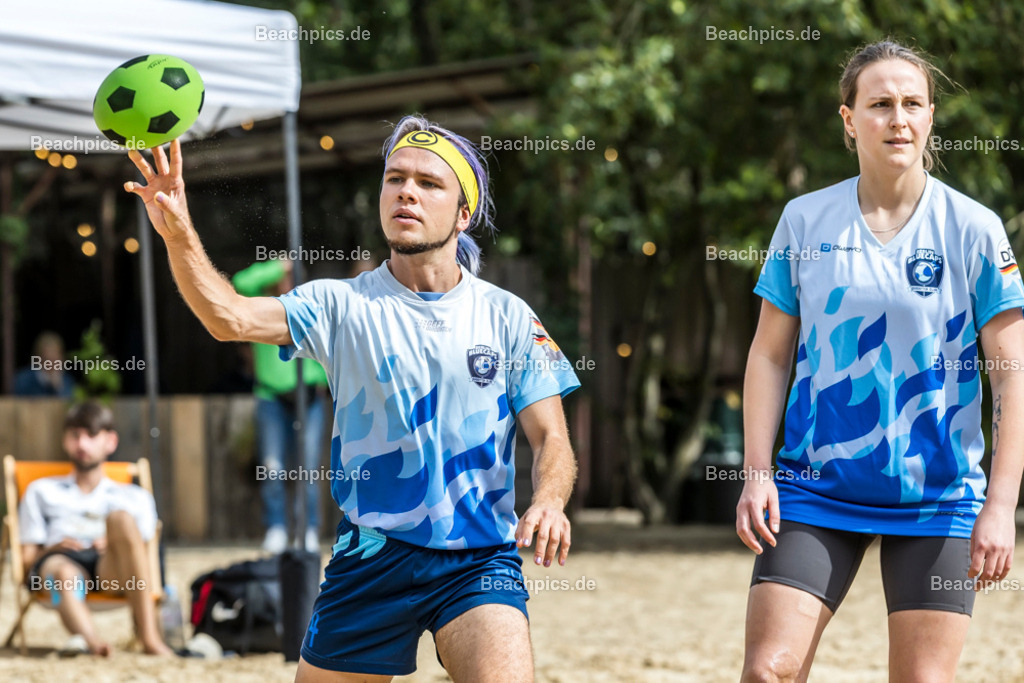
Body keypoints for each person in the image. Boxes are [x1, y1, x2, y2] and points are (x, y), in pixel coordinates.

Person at [125, 115, 580, 681]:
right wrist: (177, 232)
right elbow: (229, 317)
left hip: (477, 560)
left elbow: (552, 437)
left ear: (464, 216)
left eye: (429, 183)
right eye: (395, 178)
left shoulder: (507, 316)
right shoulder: (341, 305)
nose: (406, 191)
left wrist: (550, 501)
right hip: (370, 557)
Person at [736, 40, 1024, 682]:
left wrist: (1000, 503)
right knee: (767, 672)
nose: (899, 118)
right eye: (881, 104)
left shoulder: (974, 229)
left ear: (929, 118)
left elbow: (1013, 375)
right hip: (816, 490)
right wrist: (757, 473)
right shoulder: (805, 221)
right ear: (848, 119)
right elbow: (769, 354)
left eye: (913, 104)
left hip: (938, 496)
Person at [18, 401, 171, 656]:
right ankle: (93, 643)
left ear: (110, 441)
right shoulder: (41, 491)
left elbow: (148, 560)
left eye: (91, 435)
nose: (82, 445)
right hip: (59, 563)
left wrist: (113, 542)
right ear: (64, 440)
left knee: (120, 520)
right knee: (63, 574)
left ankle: (150, 638)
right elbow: (25, 568)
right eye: (75, 436)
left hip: (111, 567)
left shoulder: (134, 496)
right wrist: (53, 549)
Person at [233, 259, 330, 553]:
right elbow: (240, 284)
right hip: (271, 398)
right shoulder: (265, 309)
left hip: (309, 400)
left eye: (295, 279)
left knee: (308, 468)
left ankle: (307, 529)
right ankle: (276, 526)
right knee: (272, 468)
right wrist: (279, 266)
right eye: (287, 280)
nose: (290, 284)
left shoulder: (316, 312)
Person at [14, 331, 76, 397]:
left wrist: (59, 388)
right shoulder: (24, 379)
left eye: (55, 357)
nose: (52, 363)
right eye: (48, 358)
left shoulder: (67, 381)